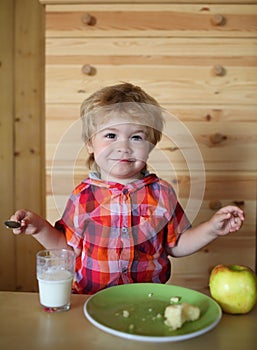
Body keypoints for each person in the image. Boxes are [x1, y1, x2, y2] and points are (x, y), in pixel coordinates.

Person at [9, 83, 244, 294]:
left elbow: (177, 245)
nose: (123, 147)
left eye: (137, 137)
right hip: (90, 300)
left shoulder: (162, 193)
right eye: (111, 135)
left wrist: (212, 229)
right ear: (90, 143)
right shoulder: (83, 196)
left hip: (146, 298)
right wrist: (39, 227)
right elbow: (67, 248)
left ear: (151, 145)